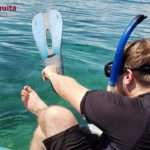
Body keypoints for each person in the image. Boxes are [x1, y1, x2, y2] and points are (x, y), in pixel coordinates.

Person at [21, 39, 150, 150]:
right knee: (45, 132)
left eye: (114, 73)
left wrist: (51, 73)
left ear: (128, 76)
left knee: (54, 116)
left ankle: (41, 111)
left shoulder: (131, 112)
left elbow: (68, 88)